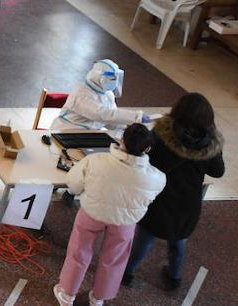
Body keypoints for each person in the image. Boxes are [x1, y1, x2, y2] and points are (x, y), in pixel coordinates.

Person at [55, 124, 166, 306]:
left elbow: (73, 185)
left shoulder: (95, 160)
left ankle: (67, 294)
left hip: (92, 213)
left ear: (121, 140)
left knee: (78, 252)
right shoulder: (158, 177)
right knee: (114, 260)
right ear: (148, 149)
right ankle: (99, 298)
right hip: (125, 222)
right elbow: (148, 200)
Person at [122, 93, 225, 291]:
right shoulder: (210, 144)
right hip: (188, 205)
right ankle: (174, 277)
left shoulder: (161, 134)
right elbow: (218, 171)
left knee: (143, 240)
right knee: (178, 242)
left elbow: (147, 160)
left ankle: (127, 272)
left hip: (158, 199)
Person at [52, 59, 150, 136]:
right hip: (66, 132)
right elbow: (104, 114)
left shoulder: (107, 93)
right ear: (100, 78)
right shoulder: (81, 94)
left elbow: (111, 121)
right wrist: (136, 117)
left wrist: (128, 127)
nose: (115, 82)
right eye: (112, 79)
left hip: (89, 134)